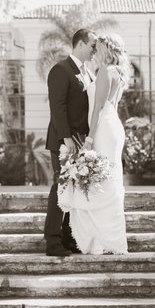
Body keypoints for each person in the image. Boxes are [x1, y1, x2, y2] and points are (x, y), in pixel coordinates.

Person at [59, 32, 129, 255]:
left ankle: (98, 240)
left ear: (106, 50)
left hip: (103, 129)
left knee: (101, 181)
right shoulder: (118, 71)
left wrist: (89, 140)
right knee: (110, 181)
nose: (94, 51)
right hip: (114, 127)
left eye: (98, 48)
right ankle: (111, 239)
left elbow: (97, 109)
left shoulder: (105, 72)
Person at [43, 27, 97, 257]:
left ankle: (67, 237)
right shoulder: (61, 70)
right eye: (93, 45)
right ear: (81, 44)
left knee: (73, 191)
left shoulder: (88, 72)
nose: (95, 50)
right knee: (61, 188)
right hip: (64, 140)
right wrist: (67, 138)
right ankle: (52, 240)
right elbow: (57, 107)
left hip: (81, 141)